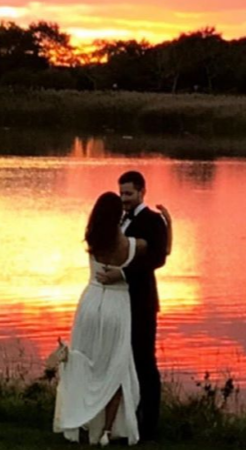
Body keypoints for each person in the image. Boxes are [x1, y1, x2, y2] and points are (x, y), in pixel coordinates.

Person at [53, 192, 147, 446]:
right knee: (115, 368)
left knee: (84, 362)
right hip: (117, 306)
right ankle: (105, 432)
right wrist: (168, 225)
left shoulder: (93, 241)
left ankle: (82, 423)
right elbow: (161, 251)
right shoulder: (133, 245)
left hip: (91, 303)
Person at [96, 171, 170, 441]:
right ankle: (121, 423)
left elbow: (159, 258)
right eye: (121, 194)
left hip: (141, 301)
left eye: (128, 194)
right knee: (117, 361)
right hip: (117, 302)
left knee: (144, 363)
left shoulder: (152, 221)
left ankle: (148, 425)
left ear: (142, 192)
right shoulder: (119, 219)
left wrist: (123, 274)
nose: (124, 199)